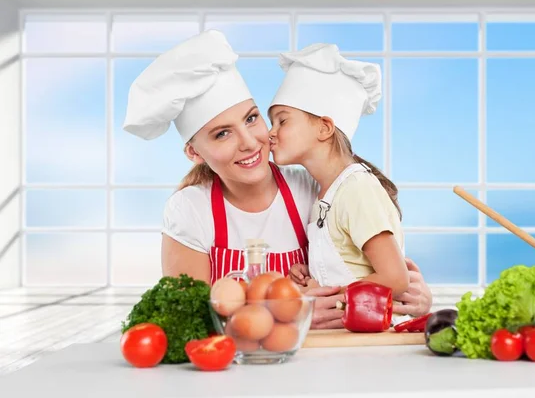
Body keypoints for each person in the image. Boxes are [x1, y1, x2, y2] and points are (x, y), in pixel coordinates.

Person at [122, 30, 432, 329]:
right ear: (194, 153)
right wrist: (291, 313)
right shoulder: (190, 210)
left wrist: (414, 297)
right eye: (222, 134)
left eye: (252, 118)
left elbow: (378, 271)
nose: (250, 142)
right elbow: (189, 319)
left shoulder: (315, 189)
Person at [267, 43, 412, 313]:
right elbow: (352, 265)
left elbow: (395, 279)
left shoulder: (357, 189)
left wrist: (324, 296)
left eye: (282, 121)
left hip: (367, 342)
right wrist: (313, 276)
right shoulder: (327, 192)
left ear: (324, 128)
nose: (270, 133)